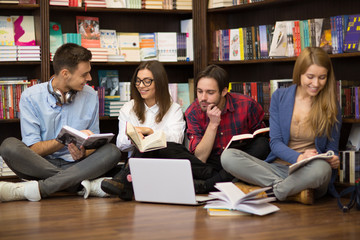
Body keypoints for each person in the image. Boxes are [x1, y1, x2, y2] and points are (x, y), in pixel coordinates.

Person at [0, 43, 121, 202]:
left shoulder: (90, 95)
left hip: (78, 165)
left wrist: (84, 152)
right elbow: (33, 150)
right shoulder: (31, 96)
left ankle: (37, 189)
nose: (89, 78)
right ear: (65, 73)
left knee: (113, 151)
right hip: (41, 165)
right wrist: (62, 141)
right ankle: (78, 185)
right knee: (8, 146)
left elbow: (95, 145)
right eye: (84, 75)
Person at [221, 47, 342, 204]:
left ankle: (274, 192)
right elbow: (275, 143)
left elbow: (332, 148)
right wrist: (299, 157)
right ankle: (293, 192)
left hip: (309, 172)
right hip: (278, 168)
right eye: (310, 77)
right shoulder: (280, 96)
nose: (316, 83)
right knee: (228, 156)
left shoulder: (332, 105)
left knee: (323, 169)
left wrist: (333, 158)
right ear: (299, 73)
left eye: (322, 77)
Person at [100, 60, 186, 200]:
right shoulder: (128, 108)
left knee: (150, 145)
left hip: (163, 164)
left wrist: (150, 133)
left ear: (159, 82)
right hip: (138, 165)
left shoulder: (173, 108)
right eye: (138, 81)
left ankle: (124, 182)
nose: (141, 86)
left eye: (147, 81)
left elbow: (177, 140)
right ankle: (127, 182)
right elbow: (120, 144)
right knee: (140, 145)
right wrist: (133, 137)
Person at [184, 64, 269, 194]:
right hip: (213, 163)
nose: (203, 98)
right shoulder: (193, 111)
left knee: (263, 145)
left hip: (240, 158)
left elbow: (262, 141)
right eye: (199, 91)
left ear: (224, 91)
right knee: (189, 163)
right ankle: (233, 179)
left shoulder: (247, 105)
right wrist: (213, 125)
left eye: (210, 92)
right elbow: (200, 158)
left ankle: (209, 185)